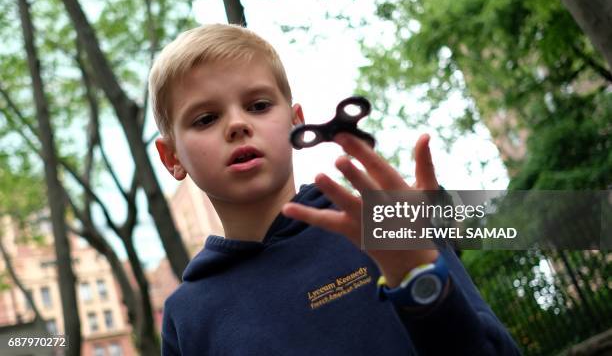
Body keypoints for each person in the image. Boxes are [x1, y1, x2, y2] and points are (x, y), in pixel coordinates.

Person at [150, 24, 520, 355]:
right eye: (206, 119)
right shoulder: (188, 316)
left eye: (258, 105)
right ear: (172, 158)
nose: (237, 124)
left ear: (297, 123)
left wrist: (421, 281)